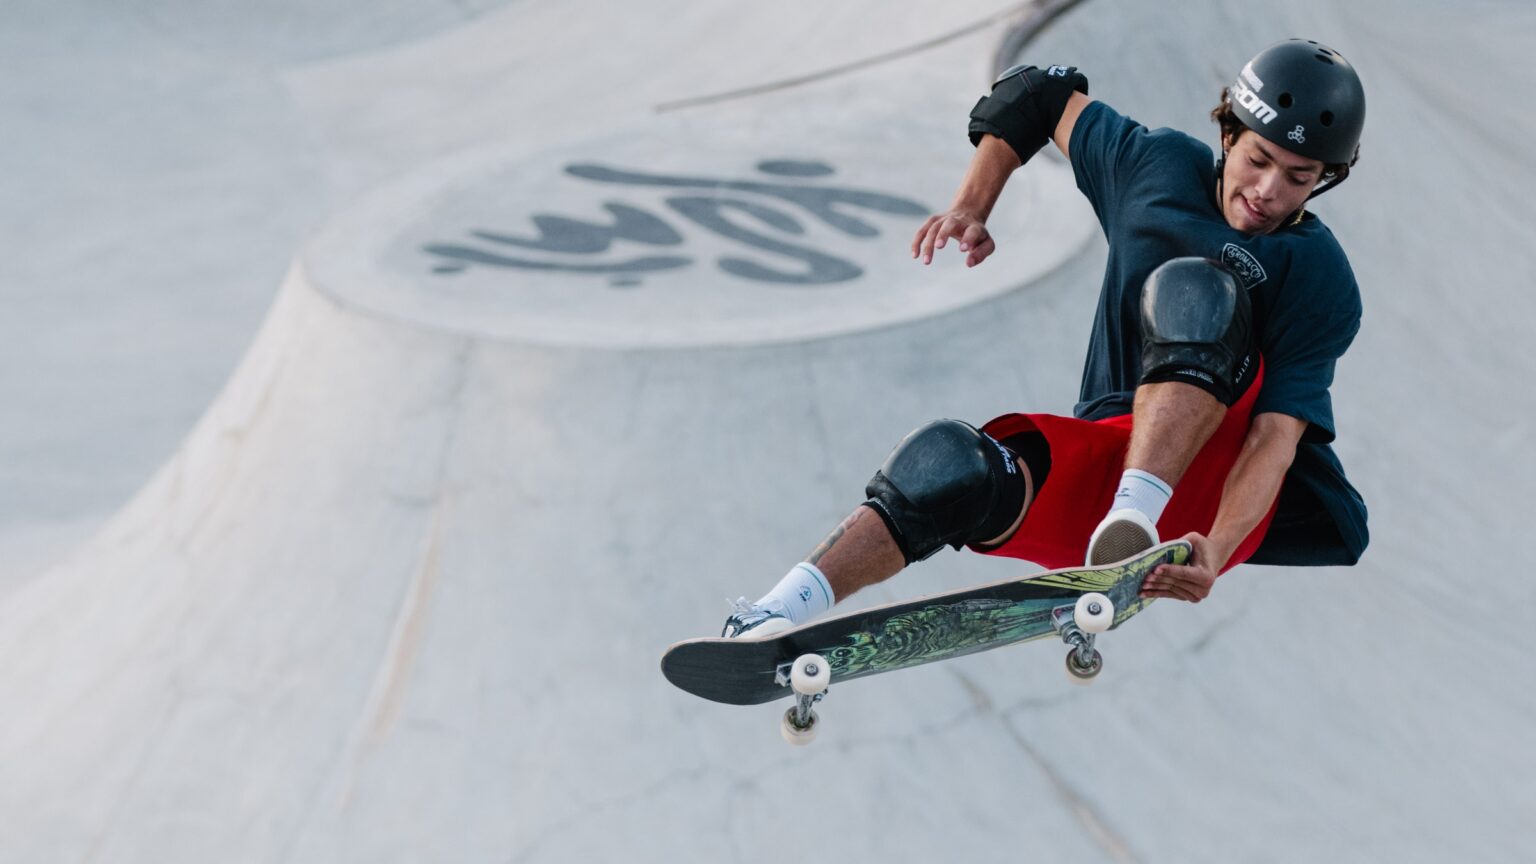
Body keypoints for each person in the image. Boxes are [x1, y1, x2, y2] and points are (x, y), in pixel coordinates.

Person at [723, 39, 1370, 638]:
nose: (1268, 192)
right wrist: (973, 206)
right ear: (1227, 131)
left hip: (1210, 496)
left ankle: (1136, 514)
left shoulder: (1316, 272)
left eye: (1299, 176)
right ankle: (777, 613)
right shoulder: (1154, 166)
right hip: (1102, 468)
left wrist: (1219, 547)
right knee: (948, 463)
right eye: (1258, 160)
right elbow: (1035, 92)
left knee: (1196, 289)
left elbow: (1275, 438)